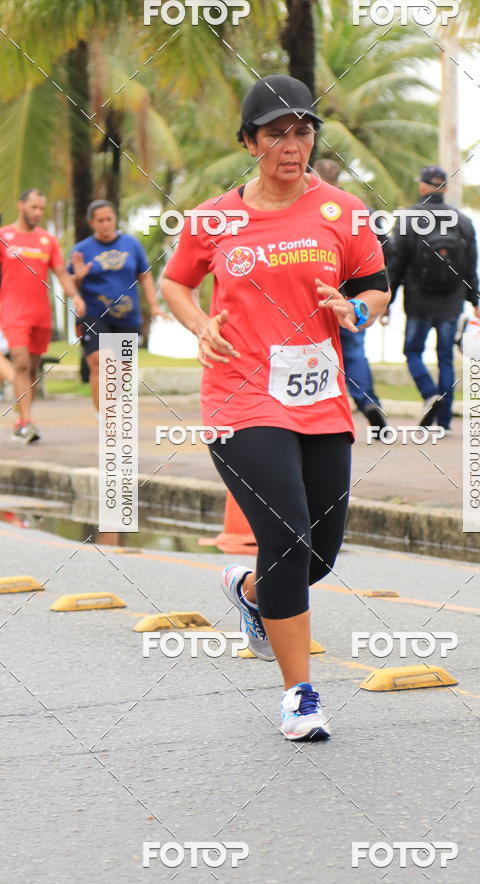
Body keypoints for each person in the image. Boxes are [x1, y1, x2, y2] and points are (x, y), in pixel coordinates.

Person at [161, 74, 390, 742]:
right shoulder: (214, 219)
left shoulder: (342, 211)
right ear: (250, 142)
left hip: (319, 399)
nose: (293, 146)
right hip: (240, 396)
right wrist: (199, 323)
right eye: (276, 133)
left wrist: (355, 310)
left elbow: (375, 286)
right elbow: (177, 283)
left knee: (319, 554)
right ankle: (300, 695)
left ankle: (253, 594)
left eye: (303, 130)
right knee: (287, 539)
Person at [388, 166, 480, 432]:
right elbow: (471, 266)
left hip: (418, 301)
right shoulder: (463, 221)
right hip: (451, 303)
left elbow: (397, 264)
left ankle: (430, 394)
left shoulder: (408, 218)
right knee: (445, 358)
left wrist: (388, 300)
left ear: (422, 187)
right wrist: (475, 302)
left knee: (413, 351)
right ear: (445, 189)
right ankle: (444, 422)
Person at [0, 188, 84, 443]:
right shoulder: (4, 236)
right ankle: (27, 423)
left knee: (33, 369)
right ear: (21, 205)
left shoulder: (48, 240)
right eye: (34, 207)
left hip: (40, 314)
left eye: (41, 208)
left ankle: (20, 420)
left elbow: (60, 273)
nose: (38, 212)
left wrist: (76, 296)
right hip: (13, 311)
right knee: (21, 363)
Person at [312, 158, 388, 437]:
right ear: (340, 180)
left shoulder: (306, 208)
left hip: (316, 295)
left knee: (314, 353)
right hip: (355, 296)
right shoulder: (361, 210)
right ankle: (368, 403)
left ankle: (323, 414)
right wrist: (380, 298)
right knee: (354, 352)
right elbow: (383, 255)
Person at [68, 200, 164, 409]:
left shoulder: (131, 244)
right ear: (91, 222)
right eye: (100, 220)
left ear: (115, 219)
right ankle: (106, 418)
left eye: (109, 219)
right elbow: (70, 285)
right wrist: (78, 277)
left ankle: (112, 407)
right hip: (94, 314)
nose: (105, 224)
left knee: (122, 371)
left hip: (127, 317)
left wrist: (154, 305)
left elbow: (145, 276)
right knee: (101, 363)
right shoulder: (81, 250)